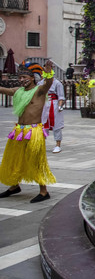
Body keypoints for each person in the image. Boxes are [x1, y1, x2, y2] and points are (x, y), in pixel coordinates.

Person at [0, 63, 56, 202]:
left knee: (36, 160)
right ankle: (14, 186)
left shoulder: (39, 91)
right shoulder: (18, 91)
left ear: (31, 78)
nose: (21, 79)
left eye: (24, 77)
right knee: (14, 158)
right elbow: (4, 90)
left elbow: (48, 84)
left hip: (34, 131)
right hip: (19, 130)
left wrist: (48, 73)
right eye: (20, 77)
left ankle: (44, 192)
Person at [40, 60, 66, 153]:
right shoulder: (40, 83)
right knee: (42, 124)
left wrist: (60, 106)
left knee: (56, 125)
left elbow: (61, 96)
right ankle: (41, 144)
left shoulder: (57, 83)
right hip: (44, 104)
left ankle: (58, 145)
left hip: (54, 104)